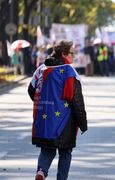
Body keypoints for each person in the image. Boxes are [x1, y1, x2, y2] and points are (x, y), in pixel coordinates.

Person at [28, 40, 87, 180]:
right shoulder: (68, 71)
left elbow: (31, 90)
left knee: (47, 149)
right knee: (65, 152)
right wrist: (83, 122)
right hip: (64, 121)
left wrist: (46, 105)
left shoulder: (41, 69)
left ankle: (41, 171)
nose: (73, 56)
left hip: (43, 119)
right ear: (64, 54)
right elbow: (76, 100)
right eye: (72, 53)